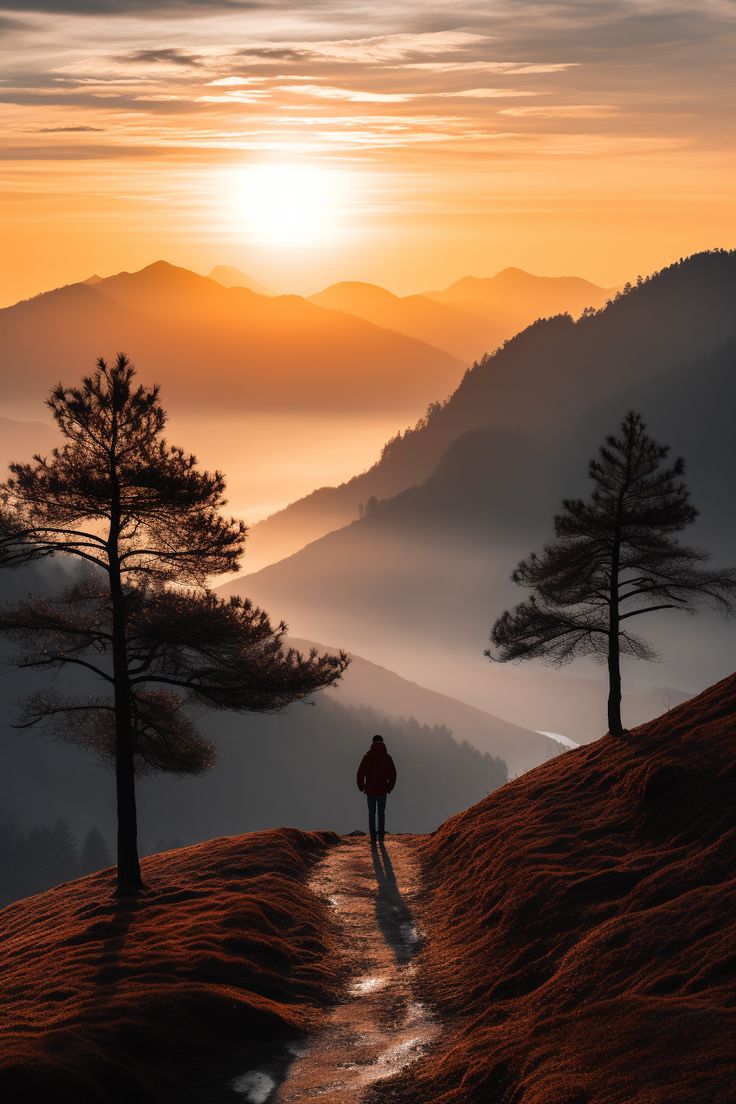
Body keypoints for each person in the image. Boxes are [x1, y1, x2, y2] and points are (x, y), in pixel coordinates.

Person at [356, 734, 397, 844]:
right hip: (382, 790)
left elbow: (360, 773)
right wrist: (389, 787)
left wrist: (362, 786)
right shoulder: (387, 758)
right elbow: (393, 774)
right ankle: (381, 838)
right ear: (383, 743)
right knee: (381, 813)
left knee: (371, 813)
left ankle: (373, 837)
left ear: (372, 743)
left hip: (370, 790)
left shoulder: (367, 757)